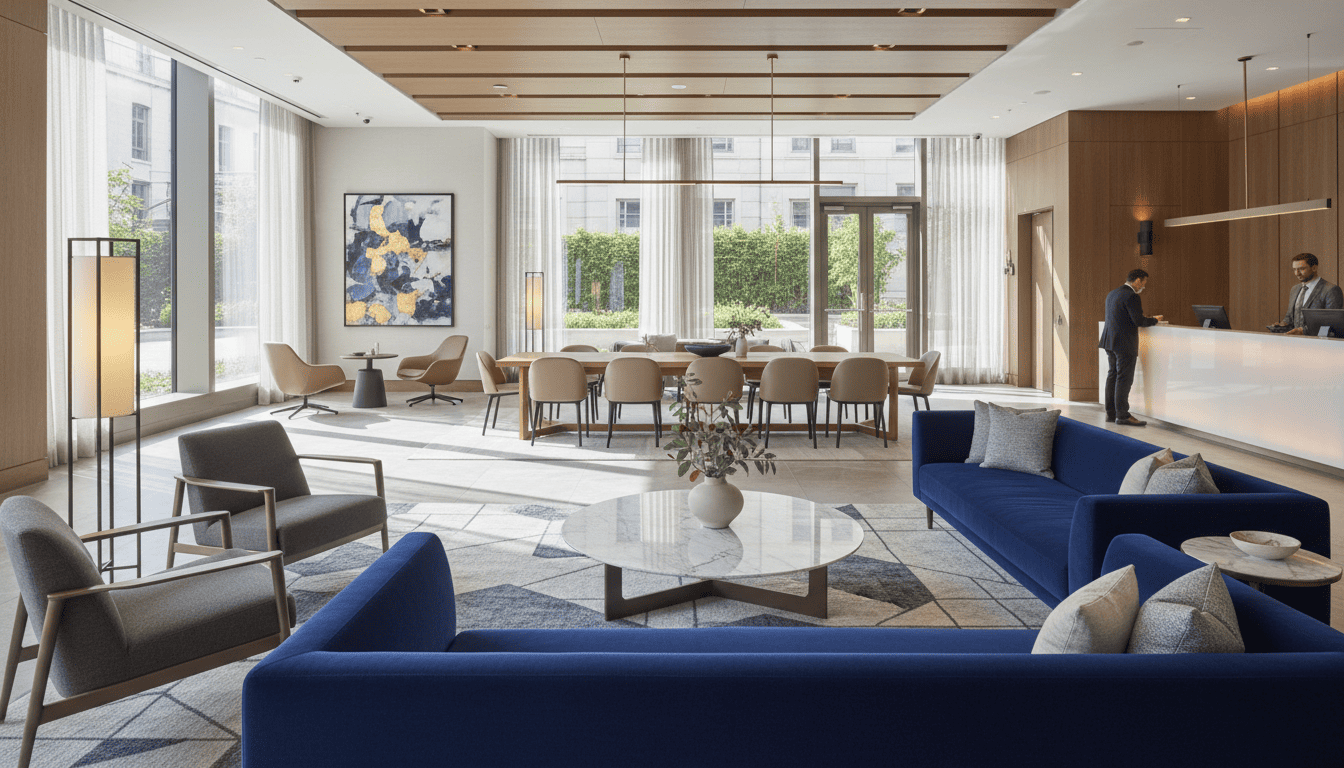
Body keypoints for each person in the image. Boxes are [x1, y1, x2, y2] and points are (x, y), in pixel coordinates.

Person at [1099, 269, 1163, 426]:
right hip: (1124, 343)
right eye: (1144, 282)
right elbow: (1138, 321)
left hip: (1110, 341)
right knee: (1124, 378)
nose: (1144, 286)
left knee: (1113, 375)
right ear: (1138, 280)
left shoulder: (1112, 293)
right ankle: (1123, 416)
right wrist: (1154, 320)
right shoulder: (1132, 296)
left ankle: (1111, 413)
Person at [1274, 253, 1343, 334]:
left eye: (1302, 269)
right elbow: (1289, 317)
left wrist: (1303, 331)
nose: (1297, 273)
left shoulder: (1331, 289)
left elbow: (1331, 322)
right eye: (1294, 269)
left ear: (1314, 268)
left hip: (1319, 343)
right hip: (1294, 342)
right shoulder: (1295, 289)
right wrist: (1282, 325)